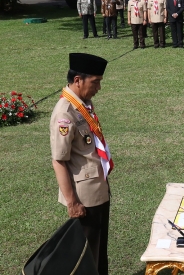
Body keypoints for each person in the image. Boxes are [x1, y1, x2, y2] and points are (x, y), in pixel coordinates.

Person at [50, 52, 113, 275]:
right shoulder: (65, 113)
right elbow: (59, 160)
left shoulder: (83, 104)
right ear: (78, 80)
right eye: (95, 82)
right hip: (84, 198)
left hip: (97, 189)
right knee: (86, 256)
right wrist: (72, 202)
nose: (98, 88)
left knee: (98, 250)